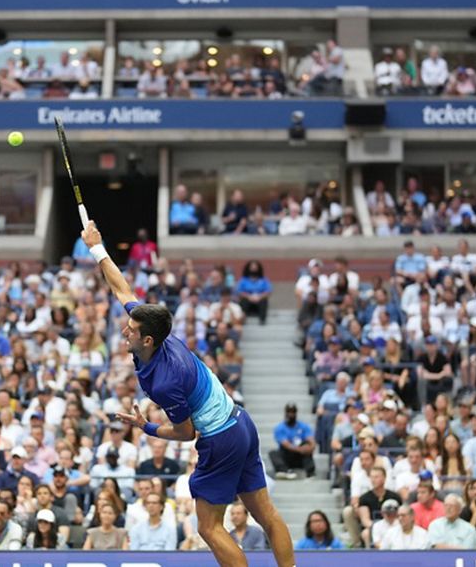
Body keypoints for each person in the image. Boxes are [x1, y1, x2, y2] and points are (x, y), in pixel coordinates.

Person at [82, 219, 295, 567]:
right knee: (266, 514)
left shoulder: (165, 382)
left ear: (147, 340)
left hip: (221, 439)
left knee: (209, 527)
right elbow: (121, 288)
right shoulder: (158, 332)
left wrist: (147, 427)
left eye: (131, 330)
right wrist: (96, 247)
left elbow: (186, 433)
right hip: (242, 423)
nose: (124, 331)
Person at [270, 403, 316, 479]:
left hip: (300, 457)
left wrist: (310, 447)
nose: (290, 414)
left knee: (306, 444)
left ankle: (310, 473)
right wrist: (300, 449)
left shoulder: (304, 426)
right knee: (273, 453)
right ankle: (284, 471)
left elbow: (311, 441)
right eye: (288, 412)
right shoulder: (280, 428)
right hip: (287, 457)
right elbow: (286, 444)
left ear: (296, 413)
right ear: (285, 413)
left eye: (293, 412)